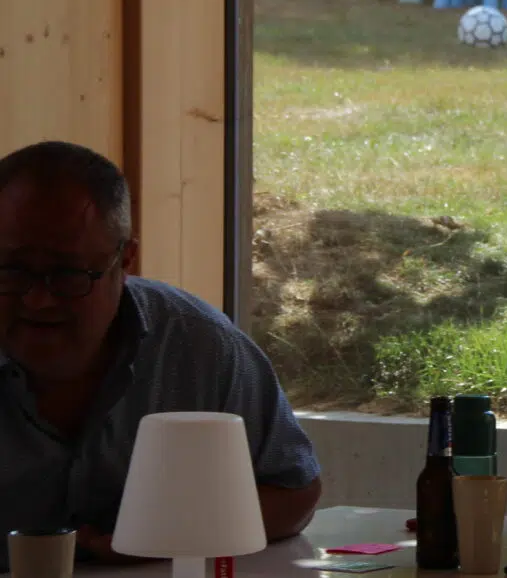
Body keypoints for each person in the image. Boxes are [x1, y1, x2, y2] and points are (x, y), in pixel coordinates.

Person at [0, 141, 323, 570]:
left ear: (126, 259)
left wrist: (171, 536)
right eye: (11, 270)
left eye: (68, 274)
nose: (38, 300)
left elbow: (293, 491)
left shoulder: (200, 347)